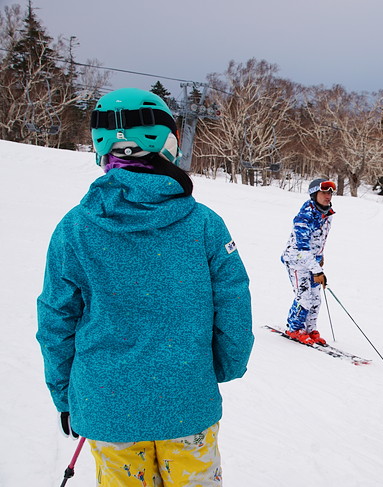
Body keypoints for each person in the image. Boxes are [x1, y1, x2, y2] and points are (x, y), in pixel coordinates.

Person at [36, 88, 254, 486]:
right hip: (186, 403)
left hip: (107, 407)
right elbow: (234, 305)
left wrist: (66, 394)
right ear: (168, 144)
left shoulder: (74, 227)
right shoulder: (204, 224)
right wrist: (219, 368)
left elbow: (55, 320)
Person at [281, 178, 336, 345]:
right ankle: (294, 328)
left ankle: (310, 329)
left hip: (313, 262)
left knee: (316, 299)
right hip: (296, 260)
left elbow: (318, 240)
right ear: (314, 194)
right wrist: (317, 270)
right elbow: (302, 248)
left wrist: (320, 257)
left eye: (330, 193)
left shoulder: (327, 214)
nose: (328, 196)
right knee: (304, 297)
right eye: (324, 192)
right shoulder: (304, 218)